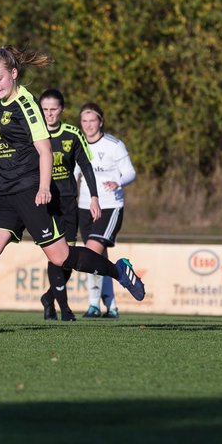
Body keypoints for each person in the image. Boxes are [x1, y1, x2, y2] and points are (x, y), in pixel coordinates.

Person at [0, 46, 145, 319]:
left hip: (29, 190)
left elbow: (45, 149)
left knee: (61, 257)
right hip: (5, 192)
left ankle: (118, 271)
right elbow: (4, 140)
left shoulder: (26, 104)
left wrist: (45, 187)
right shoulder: (1, 104)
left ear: (13, 74)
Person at [36, 89, 101, 321]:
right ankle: (64, 308)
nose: (49, 114)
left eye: (54, 109)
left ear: (61, 109)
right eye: (45, 109)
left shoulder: (72, 134)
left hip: (67, 203)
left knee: (68, 258)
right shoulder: (33, 134)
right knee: (55, 256)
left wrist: (94, 197)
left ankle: (49, 298)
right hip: (44, 204)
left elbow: (86, 166)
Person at [75, 102, 138, 319]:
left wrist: (117, 182)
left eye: (93, 120)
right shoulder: (79, 143)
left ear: (101, 121)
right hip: (84, 206)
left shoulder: (114, 145)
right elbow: (74, 174)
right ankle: (111, 306)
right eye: (84, 121)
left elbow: (130, 172)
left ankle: (93, 305)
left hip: (110, 206)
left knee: (90, 253)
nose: (89, 125)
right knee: (99, 258)